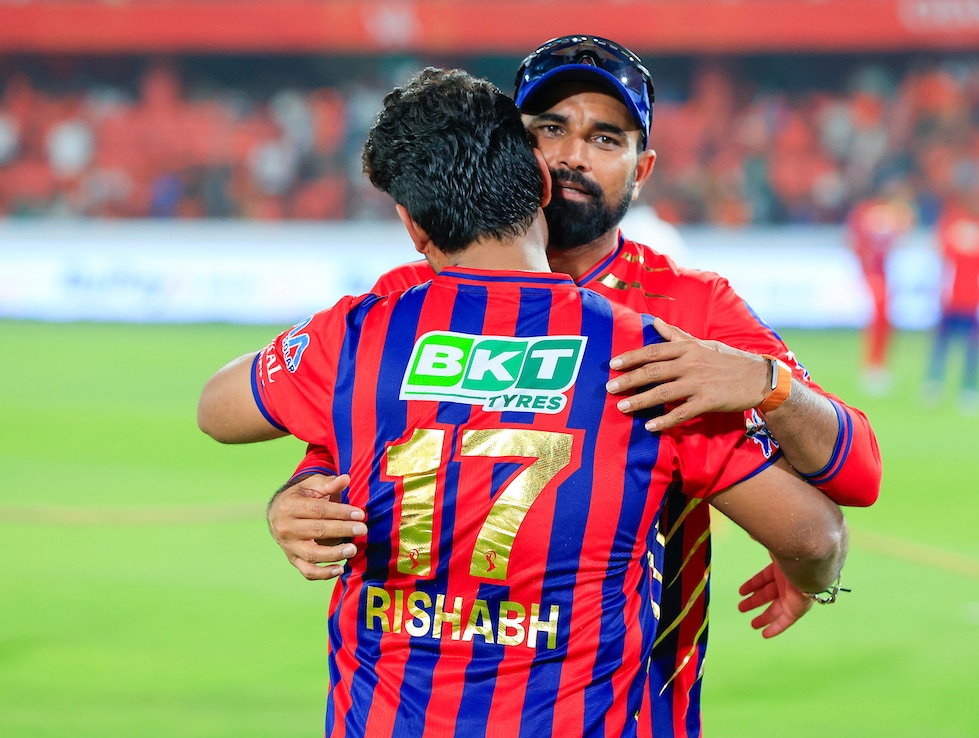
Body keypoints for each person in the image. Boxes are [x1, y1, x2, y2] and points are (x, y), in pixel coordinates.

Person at [198, 68, 847, 738]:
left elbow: (217, 408)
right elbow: (813, 535)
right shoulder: (646, 355)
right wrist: (810, 574)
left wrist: (294, 493)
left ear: (413, 226)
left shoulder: (360, 332)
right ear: (541, 184)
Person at [923, 195, 979, 415]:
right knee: (957, 346)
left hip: (967, 299)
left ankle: (947, 387)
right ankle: (955, 388)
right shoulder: (973, 231)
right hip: (962, 298)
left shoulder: (962, 230)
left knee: (957, 346)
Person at [846, 181, 914, 396]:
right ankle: (872, 367)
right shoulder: (874, 214)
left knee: (884, 320)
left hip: (882, 272)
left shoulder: (883, 214)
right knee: (879, 317)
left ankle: (878, 365)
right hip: (871, 272)